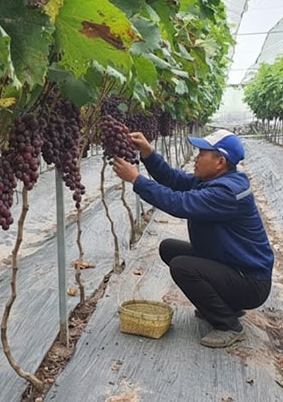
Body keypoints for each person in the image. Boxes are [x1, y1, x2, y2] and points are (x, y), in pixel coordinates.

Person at [111, 129, 273, 348]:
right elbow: (174, 179)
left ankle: (228, 325)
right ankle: (227, 306)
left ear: (220, 161)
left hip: (250, 282)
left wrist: (137, 180)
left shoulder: (226, 192)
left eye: (201, 154)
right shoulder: (215, 180)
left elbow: (179, 203)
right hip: (234, 265)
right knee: (169, 248)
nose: (196, 158)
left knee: (182, 266)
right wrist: (148, 153)